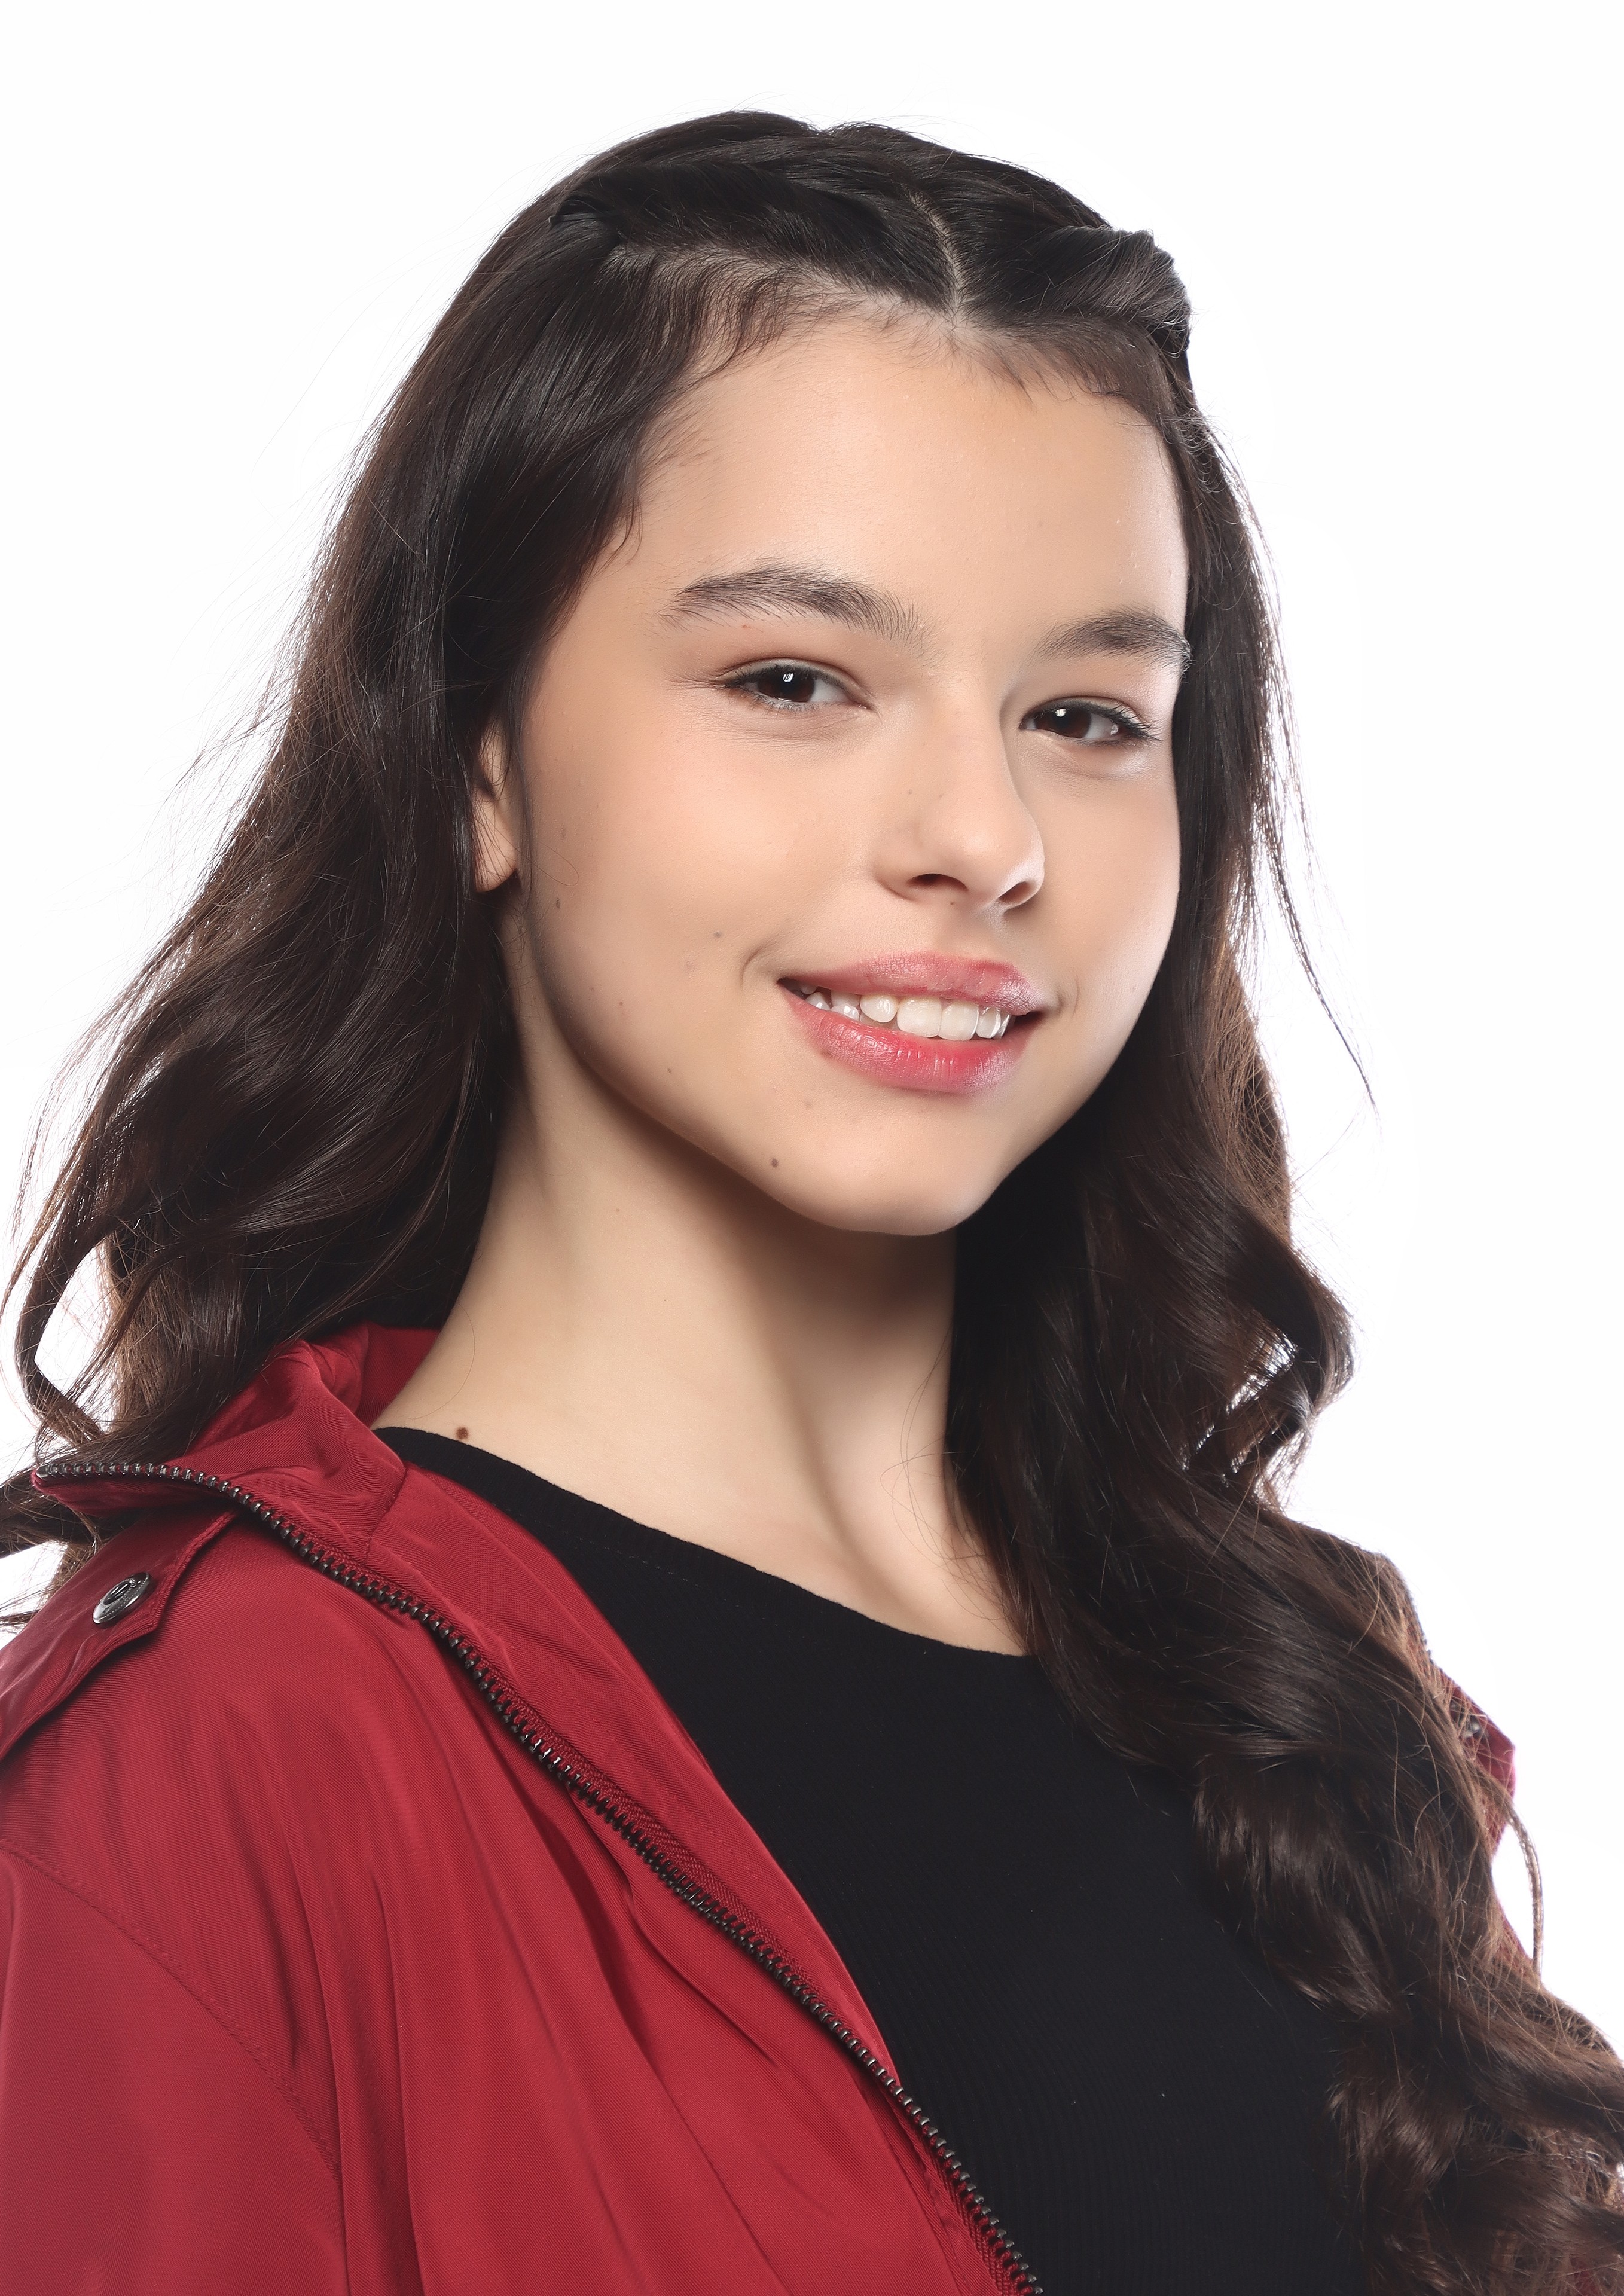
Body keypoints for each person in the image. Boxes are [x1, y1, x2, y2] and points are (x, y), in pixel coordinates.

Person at [0, 111, 1618, 2296]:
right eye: (793, 682)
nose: (984, 836)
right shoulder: (226, 1752)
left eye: (1085, 714)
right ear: (475, 755)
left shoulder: (1301, 1713)